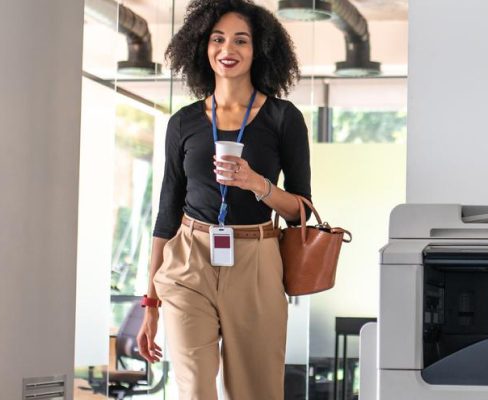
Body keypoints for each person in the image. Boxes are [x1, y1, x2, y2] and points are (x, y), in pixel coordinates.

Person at [133, 0, 310, 399]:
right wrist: (150, 304)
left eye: (240, 40)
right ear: (202, 46)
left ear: (258, 50)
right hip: (189, 259)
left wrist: (256, 183)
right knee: (194, 388)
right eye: (218, 39)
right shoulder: (183, 122)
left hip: (257, 260)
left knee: (255, 391)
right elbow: (166, 213)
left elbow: (302, 212)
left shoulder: (284, 118)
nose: (227, 49)